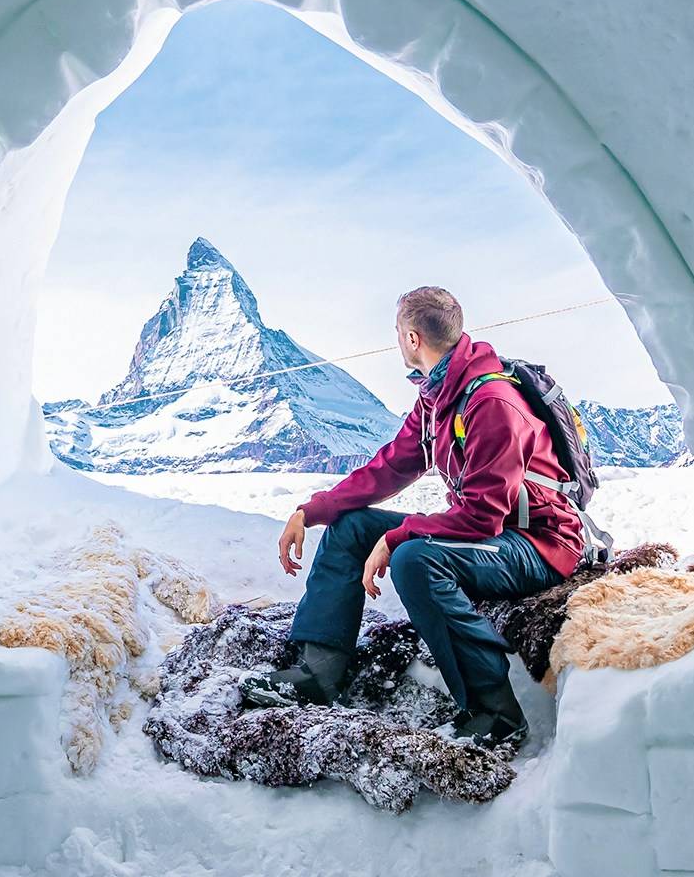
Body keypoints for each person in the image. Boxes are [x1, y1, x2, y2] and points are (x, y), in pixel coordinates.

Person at [238, 286, 585, 748]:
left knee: (414, 559)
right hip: (495, 533)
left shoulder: (491, 403)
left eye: (398, 333)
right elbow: (390, 467)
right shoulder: (439, 396)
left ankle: (496, 713)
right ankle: (319, 671)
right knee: (354, 527)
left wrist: (400, 536)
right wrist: (312, 509)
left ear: (412, 339)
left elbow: (482, 516)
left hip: (536, 544)